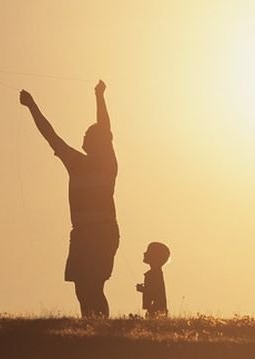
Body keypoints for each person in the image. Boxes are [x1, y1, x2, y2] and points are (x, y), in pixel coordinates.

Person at [20, 80, 119, 317]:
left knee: (94, 285)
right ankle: (90, 325)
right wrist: (32, 107)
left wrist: (99, 96)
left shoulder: (107, 164)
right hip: (84, 232)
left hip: (101, 232)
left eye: (87, 135)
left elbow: (103, 127)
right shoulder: (76, 163)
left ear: (99, 142)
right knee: (82, 288)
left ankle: (99, 328)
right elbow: (50, 135)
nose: (83, 137)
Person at [136, 242, 170, 317]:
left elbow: (153, 292)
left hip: (155, 310)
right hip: (156, 309)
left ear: (155, 257)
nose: (144, 253)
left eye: (148, 252)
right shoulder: (156, 273)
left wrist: (142, 289)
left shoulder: (154, 274)